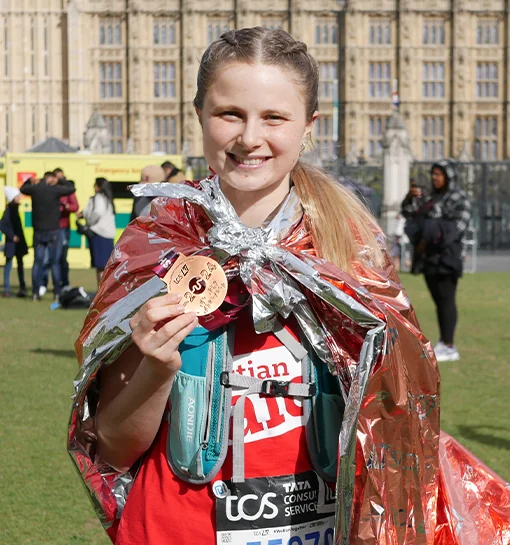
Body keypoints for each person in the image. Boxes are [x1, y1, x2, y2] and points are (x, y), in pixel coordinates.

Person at [70, 28, 509, 545]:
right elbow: (115, 449)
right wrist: (156, 370)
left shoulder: (352, 253)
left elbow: (399, 435)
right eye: (229, 113)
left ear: (308, 127)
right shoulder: (157, 250)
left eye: (274, 117)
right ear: (200, 118)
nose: (250, 137)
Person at [401, 160, 471, 362]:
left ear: (449, 177)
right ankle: (444, 342)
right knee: (438, 301)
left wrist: (428, 230)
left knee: (447, 300)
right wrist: (409, 198)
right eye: (433, 174)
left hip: (447, 258)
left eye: (439, 174)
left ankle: (449, 345)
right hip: (429, 258)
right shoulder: (430, 197)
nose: (435, 178)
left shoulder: (459, 198)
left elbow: (455, 228)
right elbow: (409, 215)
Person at [20, 171, 76, 301]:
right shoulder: (55, 190)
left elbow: (22, 189)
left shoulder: (35, 189)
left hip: (38, 231)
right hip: (54, 231)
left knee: (38, 263)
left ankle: (35, 292)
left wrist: (30, 180)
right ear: (51, 179)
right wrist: (61, 180)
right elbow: (71, 189)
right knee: (54, 263)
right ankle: (57, 292)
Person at [78, 177, 116, 286]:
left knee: (101, 267)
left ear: (98, 187)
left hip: (100, 234)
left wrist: (89, 223)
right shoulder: (108, 198)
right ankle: (103, 290)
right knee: (105, 266)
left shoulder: (98, 198)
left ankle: (101, 291)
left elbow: (97, 213)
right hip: (107, 234)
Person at [0, 187, 28, 297]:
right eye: (17, 196)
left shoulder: (15, 209)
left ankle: (22, 287)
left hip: (18, 243)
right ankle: (7, 289)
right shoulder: (9, 210)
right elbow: (2, 225)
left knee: (20, 264)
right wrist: (12, 236)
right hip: (12, 243)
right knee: (9, 265)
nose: (20, 198)